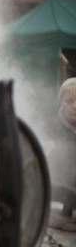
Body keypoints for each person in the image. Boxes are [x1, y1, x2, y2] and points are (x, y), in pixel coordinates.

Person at [45, 77, 76, 230]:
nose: (75, 106)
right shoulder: (47, 128)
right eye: (69, 101)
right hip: (51, 207)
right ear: (61, 102)